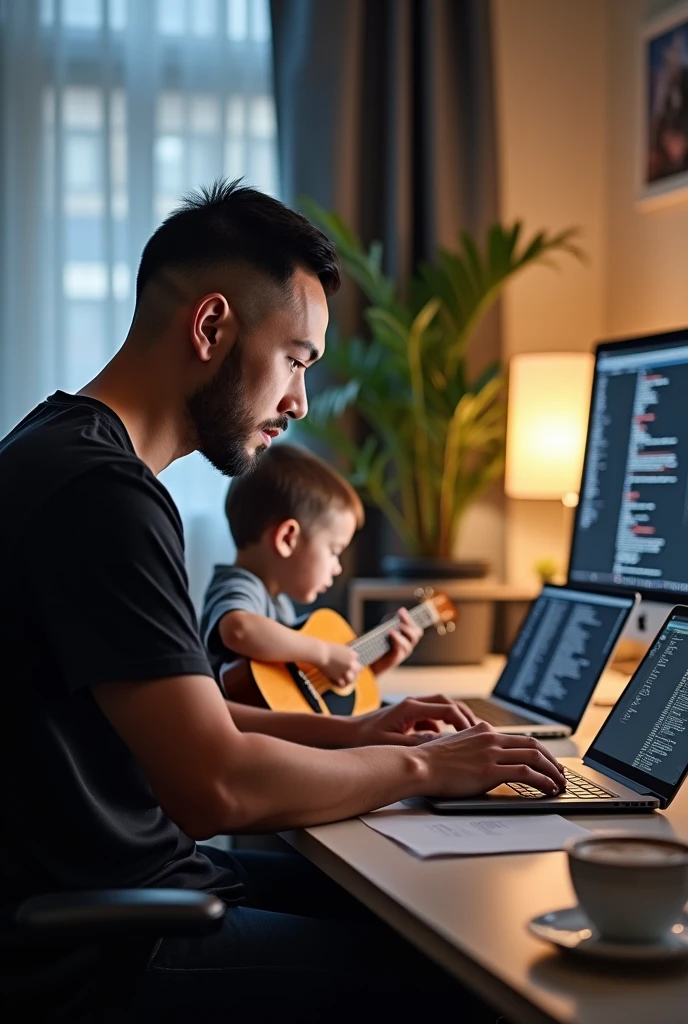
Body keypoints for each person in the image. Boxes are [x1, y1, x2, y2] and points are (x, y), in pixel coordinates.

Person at [0, 179, 566, 1021]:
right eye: (297, 359)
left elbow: (195, 723)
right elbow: (214, 788)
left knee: (406, 899)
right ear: (212, 326)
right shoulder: (102, 494)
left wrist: (355, 733)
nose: (300, 402)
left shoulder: (59, 449)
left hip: (131, 884)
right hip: (104, 951)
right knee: (469, 970)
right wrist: (423, 767)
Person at [201, 442, 424, 700]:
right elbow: (239, 629)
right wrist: (325, 654)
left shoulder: (278, 603)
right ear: (287, 539)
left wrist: (371, 669)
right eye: (334, 550)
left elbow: (291, 695)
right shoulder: (239, 585)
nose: (338, 567)